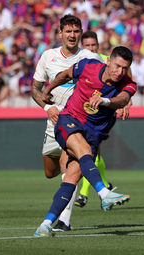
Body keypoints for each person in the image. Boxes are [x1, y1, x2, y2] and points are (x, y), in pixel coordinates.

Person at [34, 45, 137, 237]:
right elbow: (65, 75)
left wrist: (106, 101)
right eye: (117, 66)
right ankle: (104, 193)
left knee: (71, 179)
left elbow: (122, 100)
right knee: (84, 152)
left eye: (124, 68)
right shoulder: (88, 66)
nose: (119, 72)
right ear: (108, 61)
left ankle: (45, 225)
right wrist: (47, 90)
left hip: (93, 135)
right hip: (69, 120)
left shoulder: (128, 84)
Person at [31, 14, 105, 232]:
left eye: (76, 31)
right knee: (50, 171)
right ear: (60, 33)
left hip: (78, 122)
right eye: (68, 31)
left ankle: (64, 220)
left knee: (67, 164)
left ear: (81, 33)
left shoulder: (92, 57)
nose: (72, 35)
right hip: (53, 121)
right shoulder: (48, 57)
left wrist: (120, 103)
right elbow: (35, 89)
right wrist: (47, 108)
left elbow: (111, 80)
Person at [74, 30, 131, 208]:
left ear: (98, 45)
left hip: (102, 113)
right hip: (80, 112)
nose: (91, 48)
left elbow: (126, 83)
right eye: (87, 45)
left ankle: (83, 194)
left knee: (91, 151)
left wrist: (124, 105)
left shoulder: (107, 60)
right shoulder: (79, 61)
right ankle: (105, 186)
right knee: (87, 152)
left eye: (93, 45)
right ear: (82, 46)